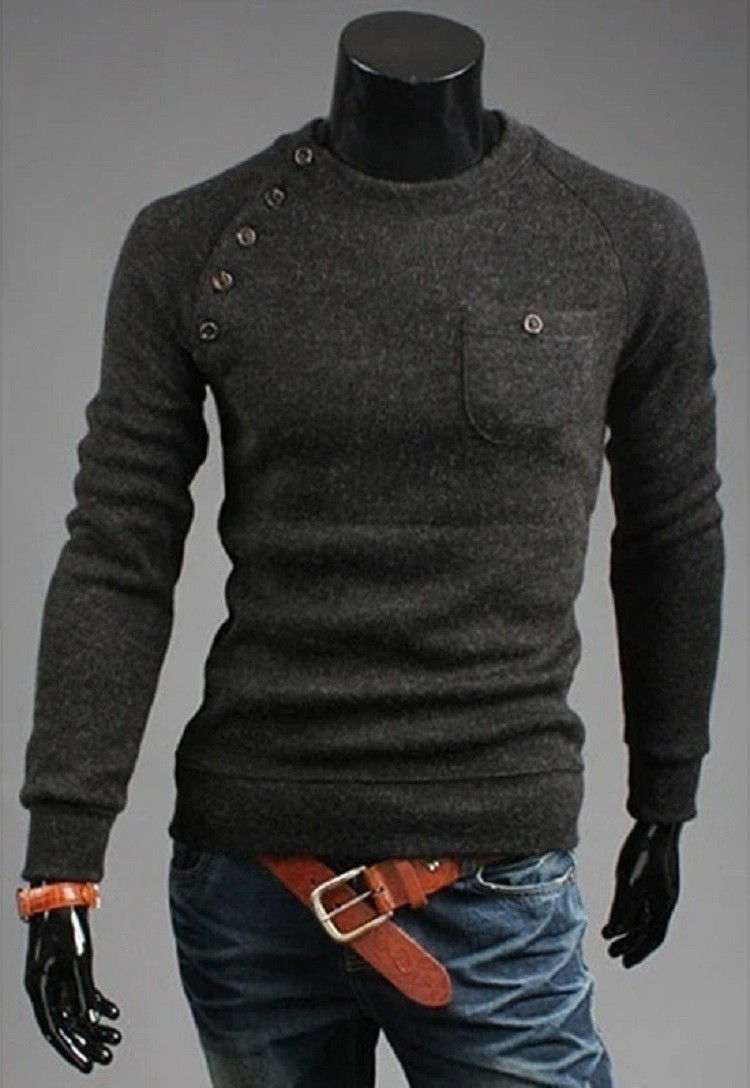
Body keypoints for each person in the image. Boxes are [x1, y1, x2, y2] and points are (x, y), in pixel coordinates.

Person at [17, 10, 724, 1087]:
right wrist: (61, 859)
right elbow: (119, 546)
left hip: (488, 874)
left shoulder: (623, 239)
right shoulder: (196, 240)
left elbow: (672, 533)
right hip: (249, 881)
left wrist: (666, 792)